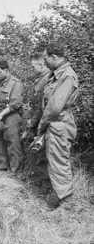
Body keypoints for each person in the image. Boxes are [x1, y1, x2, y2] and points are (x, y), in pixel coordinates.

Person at [36, 43, 78, 209]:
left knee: (59, 161)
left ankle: (66, 202)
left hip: (59, 124)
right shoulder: (56, 75)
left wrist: (41, 124)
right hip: (54, 123)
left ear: (54, 57)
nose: (44, 62)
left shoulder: (67, 75)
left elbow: (54, 106)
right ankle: (58, 196)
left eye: (46, 58)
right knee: (52, 160)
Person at [0, 59, 23, 174]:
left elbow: (14, 104)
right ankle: (1, 167)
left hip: (11, 116)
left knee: (13, 143)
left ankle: (15, 170)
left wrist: (1, 115)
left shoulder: (16, 83)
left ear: (7, 70)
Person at [22, 52, 51, 180]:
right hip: (36, 118)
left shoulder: (47, 79)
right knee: (33, 149)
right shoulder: (39, 78)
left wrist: (32, 122)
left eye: (34, 66)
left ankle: (41, 181)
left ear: (42, 64)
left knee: (41, 152)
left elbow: (41, 105)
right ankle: (32, 175)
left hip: (42, 121)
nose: (32, 69)